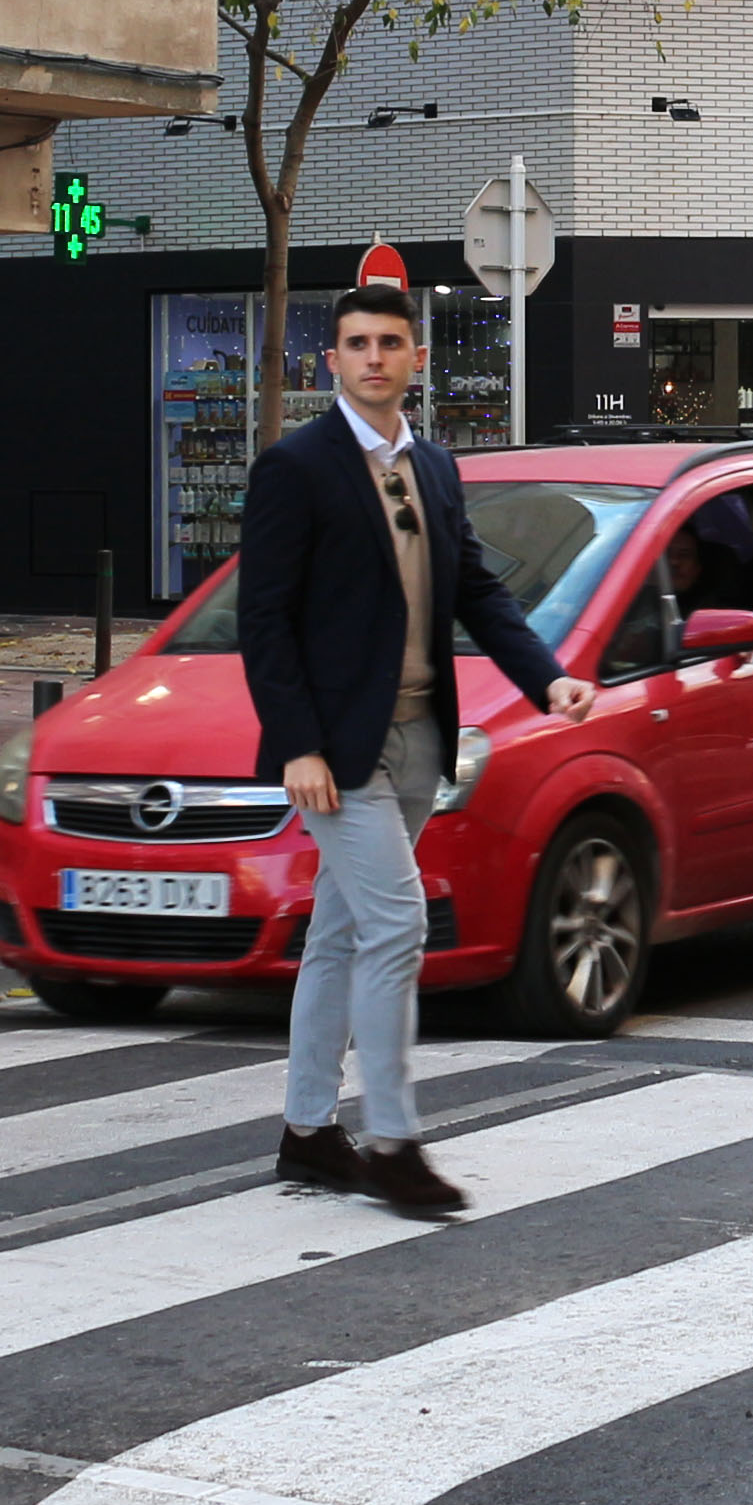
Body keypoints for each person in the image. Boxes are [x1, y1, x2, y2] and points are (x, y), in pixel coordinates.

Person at [235, 283, 597, 1219]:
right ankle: (394, 1142)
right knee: (396, 925)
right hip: (342, 752)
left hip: (420, 735)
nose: (373, 358)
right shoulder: (297, 467)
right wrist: (298, 745)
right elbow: (265, 620)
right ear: (333, 362)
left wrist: (546, 678)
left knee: (341, 934)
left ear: (414, 358)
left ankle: (308, 1132)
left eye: (390, 343)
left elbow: (478, 592)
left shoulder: (433, 467)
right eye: (356, 344)